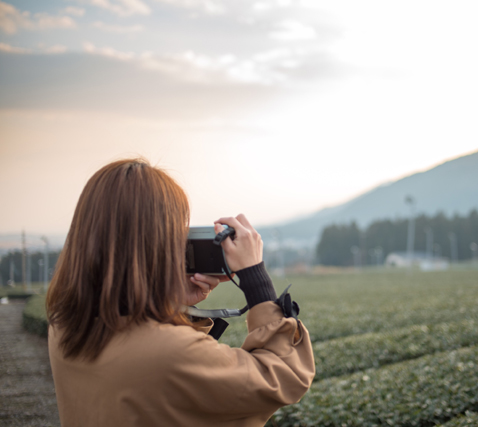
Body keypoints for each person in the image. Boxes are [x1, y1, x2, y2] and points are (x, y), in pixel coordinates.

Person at [46, 158, 315, 427]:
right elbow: (284, 376)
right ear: (156, 244)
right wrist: (256, 280)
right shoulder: (168, 353)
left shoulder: (65, 327)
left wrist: (170, 301)